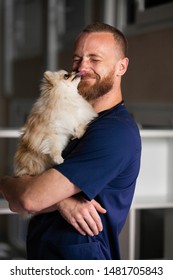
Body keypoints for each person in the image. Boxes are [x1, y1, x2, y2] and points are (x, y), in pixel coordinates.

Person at [0, 22, 141, 260]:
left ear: (121, 67)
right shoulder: (72, 122)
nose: (82, 67)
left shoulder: (115, 133)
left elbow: (28, 198)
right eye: (77, 58)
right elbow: (20, 194)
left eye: (94, 59)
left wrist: (15, 186)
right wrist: (64, 201)